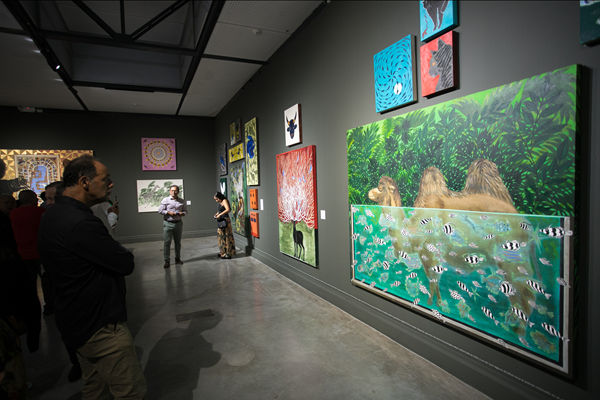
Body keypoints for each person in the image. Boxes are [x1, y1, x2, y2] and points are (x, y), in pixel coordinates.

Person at [38, 155, 147, 399]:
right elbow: (124, 262)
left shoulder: (53, 215)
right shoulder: (81, 222)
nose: (111, 183)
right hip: (99, 325)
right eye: (105, 178)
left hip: (75, 319)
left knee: (94, 387)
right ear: (85, 182)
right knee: (130, 391)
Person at [9, 190, 45, 286]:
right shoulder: (40, 211)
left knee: (29, 282)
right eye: (35, 198)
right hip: (40, 252)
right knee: (47, 281)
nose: (37, 200)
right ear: (30, 199)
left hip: (22, 253)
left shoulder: (13, 213)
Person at [158, 185, 187, 268]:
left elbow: (185, 211)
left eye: (175, 191)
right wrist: (168, 212)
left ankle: (177, 258)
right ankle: (167, 260)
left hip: (178, 223)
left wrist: (182, 213)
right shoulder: (165, 200)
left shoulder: (182, 201)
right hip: (168, 223)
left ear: (178, 192)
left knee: (177, 242)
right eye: (172, 191)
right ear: (170, 191)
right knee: (167, 242)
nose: (173, 192)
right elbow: (160, 210)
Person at [214, 192, 236, 259]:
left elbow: (228, 209)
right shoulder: (220, 202)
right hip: (221, 220)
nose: (216, 201)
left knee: (226, 236)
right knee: (221, 236)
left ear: (220, 197)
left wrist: (220, 215)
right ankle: (222, 251)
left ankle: (227, 253)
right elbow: (221, 210)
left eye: (217, 199)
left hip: (225, 220)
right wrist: (217, 214)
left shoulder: (224, 201)